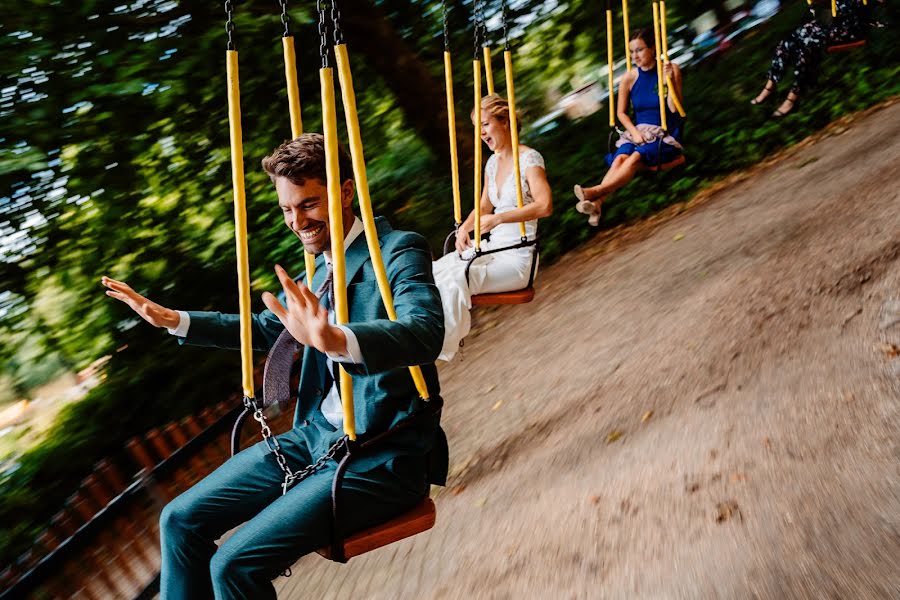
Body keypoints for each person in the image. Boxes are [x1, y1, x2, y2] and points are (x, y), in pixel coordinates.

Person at [101, 133, 447, 599]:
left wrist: (337, 339)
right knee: (179, 520)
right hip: (314, 439)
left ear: (346, 192)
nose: (297, 221)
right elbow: (268, 328)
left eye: (308, 205)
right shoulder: (316, 270)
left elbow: (425, 332)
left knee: (232, 565)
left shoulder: (397, 251)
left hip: (379, 454)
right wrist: (176, 321)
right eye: (287, 210)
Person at [433, 94, 553, 361]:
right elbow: (485, 208)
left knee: (458, 277)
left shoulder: (530, 160)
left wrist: (500, 219)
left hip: (518, 257)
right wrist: (465, 227)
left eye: (486, 125)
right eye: (479, 128)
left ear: (505, 121)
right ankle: (418, 329)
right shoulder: (492, 163)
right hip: (493, 248)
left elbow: (545, 206)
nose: (482, 134)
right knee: (438, 269)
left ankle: (437, 346)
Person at [573, 29, 685, 226]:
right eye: (632, 52)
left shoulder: (671, 69)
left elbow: (674, 108)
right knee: (620, 159)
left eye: (640, 50)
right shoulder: (629, 78)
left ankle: (596, 192)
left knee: (634, 157)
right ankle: (597, 203)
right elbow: (621, 114)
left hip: (662, 133)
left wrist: (669, 81)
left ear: (652, 48)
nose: (635, 56)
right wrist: (634, 133)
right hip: (637, 131)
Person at [751, 0, 874, 117]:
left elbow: (850, 10)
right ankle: (771, 86)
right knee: (787, 42)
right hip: (830, 24)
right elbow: (825, 11)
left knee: (806, 45)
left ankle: (792, 97)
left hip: (848, 28)